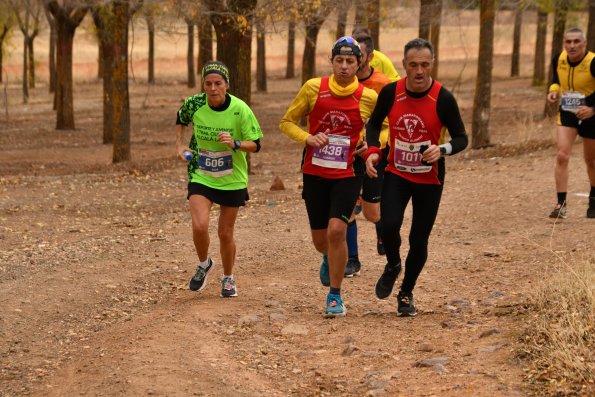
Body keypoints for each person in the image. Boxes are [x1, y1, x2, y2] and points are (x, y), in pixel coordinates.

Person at [364, 38, 468, 317]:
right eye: (413, 65)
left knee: (418, 239)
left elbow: (461, 138)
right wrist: (373, 151)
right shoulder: (391, 92)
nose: (419, 71)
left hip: (429, 179)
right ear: (404, 66)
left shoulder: (443, 98)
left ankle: (406, 292)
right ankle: (394, 264)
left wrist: (442, 149)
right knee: (388, 225)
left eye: (424, 64)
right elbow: (373, 123)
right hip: (397, 172)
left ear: (431, 64)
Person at [279, 36, 378, 318]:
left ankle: (335, 296)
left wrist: (369, 146)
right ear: (332, 62)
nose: (344, 67)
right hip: (315, 171)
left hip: (349, 172)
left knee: (338, 230)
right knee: (321, 240)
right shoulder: (313, 88)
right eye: (339, 61)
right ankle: (327, 256)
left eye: (350, 61)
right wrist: (308, 137)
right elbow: (286, 122)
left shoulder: (369, 97)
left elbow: (386, 128)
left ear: (360, 64)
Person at [175, 61, 263, 298]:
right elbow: (180, 119)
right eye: (208, 83)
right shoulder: (194, 104)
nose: (213, 88)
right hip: (201, 173)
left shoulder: (240, 109)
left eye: (218, 83)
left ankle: (228, 277)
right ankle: (204, 264)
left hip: (232, 177)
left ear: (227, 85)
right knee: (199, 225)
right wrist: (181, 144)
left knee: (225, 232)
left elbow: (256, 145)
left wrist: (235, 143)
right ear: (203, 85)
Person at [343, 31, 392, 278]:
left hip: (374, 153)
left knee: (373, 213)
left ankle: (381, 229)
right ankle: (352, 259)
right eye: (348, 55)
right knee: (347, 206)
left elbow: (391, 123)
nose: (353, 59)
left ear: (370, 56)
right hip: (347, 154)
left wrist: (375, 145)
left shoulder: (383, 85)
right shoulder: (340, 82)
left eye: (358, 55)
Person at [546, 27, 595, 219]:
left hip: (591, 113)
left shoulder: (593, 62)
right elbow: (556, 78)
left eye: (576, 42)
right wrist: (553, 89)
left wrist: (592, 109)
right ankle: (561, 204)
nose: (572, 46)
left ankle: (593, 199)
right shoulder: (559, 58)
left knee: (591, 161)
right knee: (562, 155)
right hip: (568, 110)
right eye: (568, 42)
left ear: (585, 44)